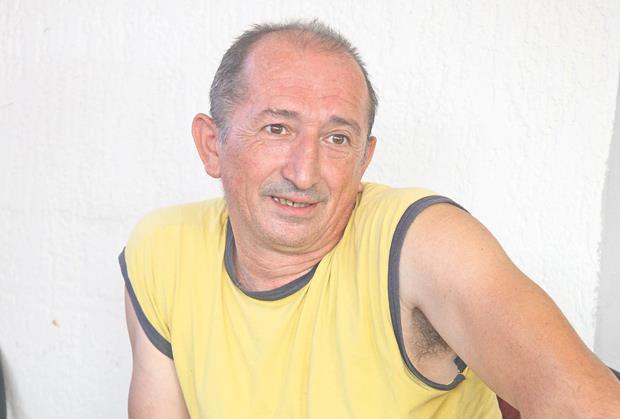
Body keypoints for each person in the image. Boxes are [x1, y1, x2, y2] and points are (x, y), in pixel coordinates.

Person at [119, 20, 620, 418]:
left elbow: (588, 404)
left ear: (364, 159)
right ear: (212, 145)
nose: (304, 172)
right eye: (277, 128)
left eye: (337, 139)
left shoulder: (423, 243)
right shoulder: (163, 250)